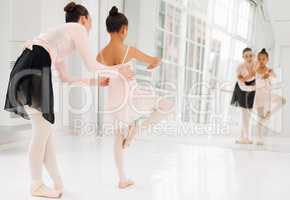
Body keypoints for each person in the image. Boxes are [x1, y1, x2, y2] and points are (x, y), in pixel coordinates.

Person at [4, 2, 134, 198]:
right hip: (34, 65)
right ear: (84, 19)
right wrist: (119, 69)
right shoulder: (77, 28)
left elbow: (66, 78)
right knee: (42, 131)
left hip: (32, 65)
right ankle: (36, 185)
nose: (90, 27)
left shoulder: (59, 41)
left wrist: (94, 83)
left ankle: (56, 183)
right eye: (90, 22)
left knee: (45, 131)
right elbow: (91, 64)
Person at [96, 6, 174, 189]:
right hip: (132, 96)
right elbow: (155, 60)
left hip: (115, 101)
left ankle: (122, 179)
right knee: (167, 106)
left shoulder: (101, 54)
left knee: (117, 139)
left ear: (108, 30)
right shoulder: (128, 50)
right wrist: (153, 65)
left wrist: (109, 74)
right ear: (123, 30)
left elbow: (99, 78)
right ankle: (137, 130)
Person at [254, 48, 286, 145]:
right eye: (259, 59)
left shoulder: (269, 70)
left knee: (283, 100)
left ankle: (269, 114)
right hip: (259, 96)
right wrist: (262, 78)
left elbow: (276, 80)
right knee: (260, 118)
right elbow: (254, 84)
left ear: (267, 60)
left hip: (268, 95)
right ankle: (260, 138)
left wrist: (270, 75)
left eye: (263, 59)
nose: (261, 61)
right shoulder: (256, 70)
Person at [231, 47, 256, 144]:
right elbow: (242, 85)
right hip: (241, 91)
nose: (249, 58)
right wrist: (253, 88)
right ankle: (246, 138)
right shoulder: (239, 68)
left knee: (249, 115)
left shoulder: (255, 66)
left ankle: (244, 137)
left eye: (251, 55)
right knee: (244, 114)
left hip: (252, 90)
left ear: (253, 56)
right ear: (243, 57)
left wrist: (256, 87)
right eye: (246, 56)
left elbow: (258, 79)